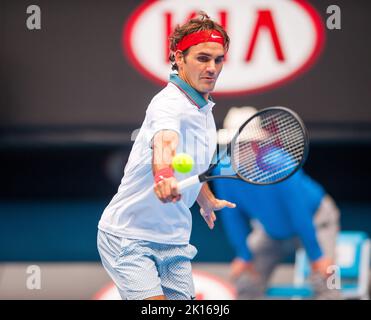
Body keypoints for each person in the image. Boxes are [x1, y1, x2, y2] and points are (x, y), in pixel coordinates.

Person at [97, 12, 236, 300]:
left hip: (174, 241)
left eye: (218, 59)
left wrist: (204, 196)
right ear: (179, 58)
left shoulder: (204, 110)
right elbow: (165, 143)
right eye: (202, 58)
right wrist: (163, 176)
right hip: (128, 237)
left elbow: (192, 165)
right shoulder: (168, 104)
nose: (212, 67)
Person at [213, 106, 342, 300]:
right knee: (245, 281)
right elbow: (231, 214)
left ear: (258, 144)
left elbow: (298, 211)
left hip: (316, 221)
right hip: (271, 230)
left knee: (330, 279)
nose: (239, 150)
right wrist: (244, 255)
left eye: (246, 144)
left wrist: (318, 256)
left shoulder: (280, 164)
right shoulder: (222, 171)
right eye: (234, 145)